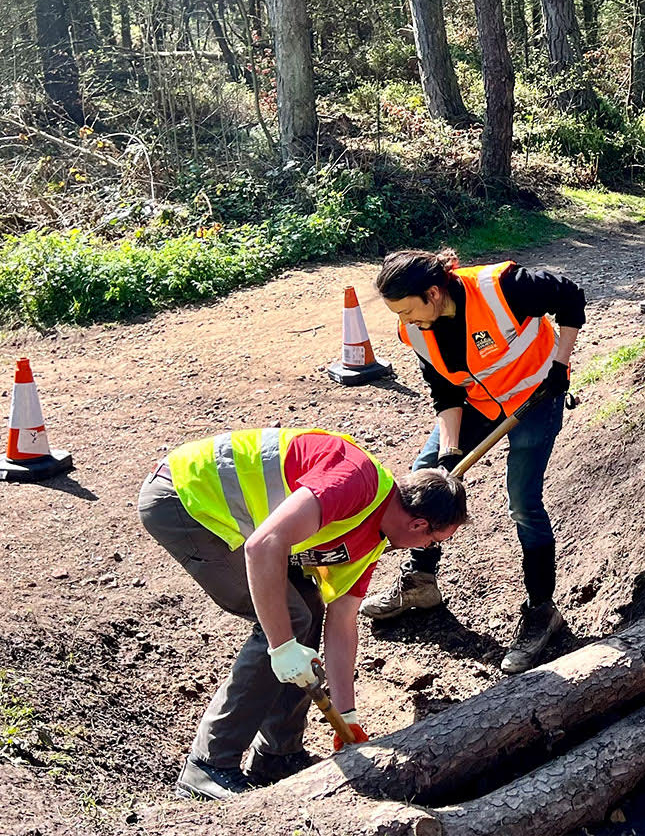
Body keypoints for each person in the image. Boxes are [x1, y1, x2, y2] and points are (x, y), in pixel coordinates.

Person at [136, 427, 468, 799]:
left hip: (229, 518)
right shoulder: (355, 480)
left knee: (307, 608)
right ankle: (208, 764)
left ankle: (278, 753)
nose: (426, 547)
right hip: (184, 498)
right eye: (434, 541)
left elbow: (342, 621)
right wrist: (281, 647)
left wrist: (348, 717)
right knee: (289, 621)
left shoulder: (372, 539)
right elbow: (263, 546)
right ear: (419, 524)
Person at [366, 248, 583, 675]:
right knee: (423, 481)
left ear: (432, 292)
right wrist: (449, 452)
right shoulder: (414, 331)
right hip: (478, 404)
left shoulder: (502, 288)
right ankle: (422, 582)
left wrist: (560, 364)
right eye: (399, 315)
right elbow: (444, 392)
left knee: (522, 501)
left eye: (410, 311)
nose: (406, 322)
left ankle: (542, 612)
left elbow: (571, 297)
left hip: (536, 398)